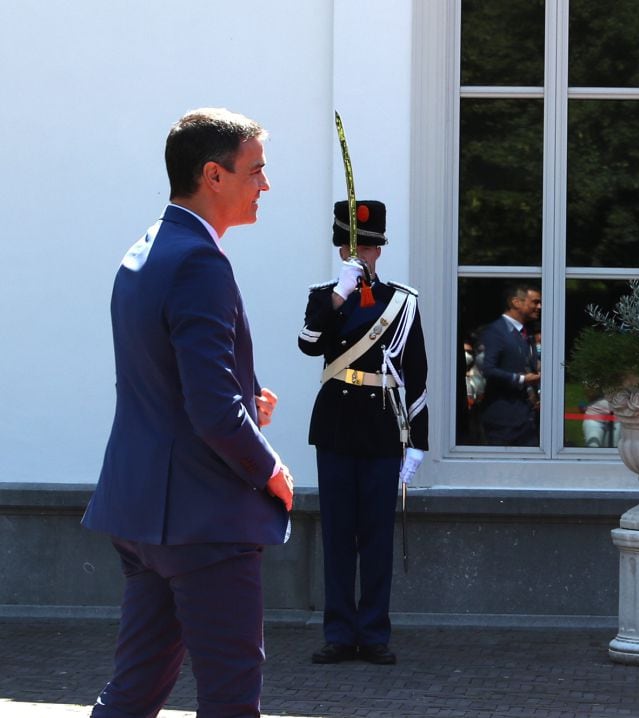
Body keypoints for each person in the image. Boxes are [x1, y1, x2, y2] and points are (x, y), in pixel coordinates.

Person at [82, 108, 294, 718]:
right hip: (204, 520)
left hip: (142, 510)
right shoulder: (201, 261)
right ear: (214, 176)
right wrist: (269, 469)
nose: (266, 185)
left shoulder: (146, 249)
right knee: (230, 698)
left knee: (135, 690)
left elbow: (162, 379)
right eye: (256, 170)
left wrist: (245, 395)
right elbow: (211, 412)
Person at [298, 200, 428, 665]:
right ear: (341, 250)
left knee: (375, 535)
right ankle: (338, 632)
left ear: (380, 251)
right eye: (356, 248)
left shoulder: (403, 302)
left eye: (371, 248)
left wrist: (417, 442)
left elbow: (416, 373)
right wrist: (338, 296)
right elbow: (309, 344)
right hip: (335, 424)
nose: (364, 256)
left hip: (379, 428)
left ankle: (373, 632)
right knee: (337, 533)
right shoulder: (323, 296)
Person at [479, 284, 542, 446]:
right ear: (516, 302)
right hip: (504, 421)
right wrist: (522, 379)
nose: (539, 307)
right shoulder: (496, 331)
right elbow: (488, 369)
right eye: (535, 302)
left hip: (528, 420)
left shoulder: (525, 333)